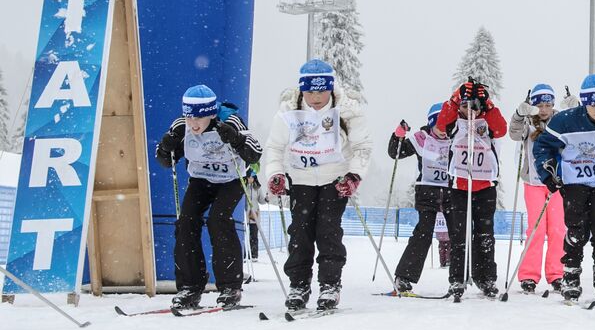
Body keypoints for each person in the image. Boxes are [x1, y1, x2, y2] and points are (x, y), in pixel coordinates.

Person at [262, 60, 371, 311]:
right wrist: (276, 174)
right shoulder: (288, 110)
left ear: (331, 89)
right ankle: (299, 285)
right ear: (302, 90)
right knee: (300, 233)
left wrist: (354, 176)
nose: (316, 97)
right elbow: (275, 148)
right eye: (310, 91)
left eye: (322, 90)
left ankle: (330, 285)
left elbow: (362, 147)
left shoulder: (347, 110)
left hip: (334, 179)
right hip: (301, 179)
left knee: (328, 230)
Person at [154, 86, 263, 310]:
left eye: (200, 117)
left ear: (212, 114)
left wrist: (236, 139)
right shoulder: (181, 126)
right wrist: (166, 148)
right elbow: (166, 161)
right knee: (185, 222)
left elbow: (255, 153)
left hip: (231, 180)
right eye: (189, 116)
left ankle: (230, 287)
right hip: (201, 180)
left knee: (218, 220)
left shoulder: (230, 121)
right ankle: (190, 288)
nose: (194, 123)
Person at [534, 74, 595, 302]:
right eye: (593, 104)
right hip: (573, 181)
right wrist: (548, 174)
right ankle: (571, 275)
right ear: (584, 102)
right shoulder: (565, 121)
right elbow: (543, 146)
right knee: (576, 227)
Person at [434, 78, 508, 299]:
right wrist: (456, 98)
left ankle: (486, 278)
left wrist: (488, 104)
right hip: (459, 186)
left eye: (474, 105)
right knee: (459, 236)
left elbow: (501, 129)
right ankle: (457, 279)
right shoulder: (455, 120)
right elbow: (441, 125)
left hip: (485, 185)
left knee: (485, 235)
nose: (470, 110)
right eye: (466, 106)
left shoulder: (487, 121)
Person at [387, 102, 458, 295]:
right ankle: (404, 277)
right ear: (431, 124)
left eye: (447, 127)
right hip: (427, 191)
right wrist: (398, 135)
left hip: (452, 192)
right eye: (440, 127)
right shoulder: (421, 138)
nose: (444, 132)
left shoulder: (456, 139)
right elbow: (396, 153)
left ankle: (459, 277)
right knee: (423, 234)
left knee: (457, 234)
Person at [509, 83, 567, 293]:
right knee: (536, 229)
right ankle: (529, 276)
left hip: (557, 183)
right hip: (533, 183)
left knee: (558, 229)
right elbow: (513, 134)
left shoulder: (561, 120)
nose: (544, 109)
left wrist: (576, 109)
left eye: (548, 104)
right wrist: (518, 114)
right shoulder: (528, 123)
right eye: (540, 105)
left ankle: (557, 274)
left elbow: (576, 132)